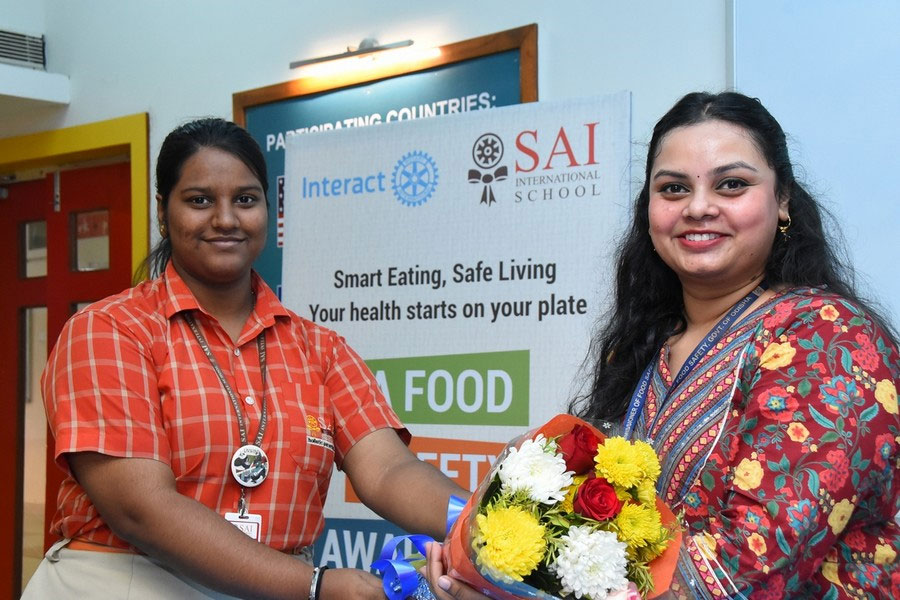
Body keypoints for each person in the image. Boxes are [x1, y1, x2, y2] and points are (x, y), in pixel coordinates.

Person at [25, 118, 484, 600]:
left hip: (281, 588)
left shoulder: (320, 349)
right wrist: (315, 586)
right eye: (199, 200)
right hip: (126, 582)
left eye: (245, 199)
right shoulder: (110, 330)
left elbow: (389, 472)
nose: (226, 219)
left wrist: (488, 525)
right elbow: (141, 508)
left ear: (267, 209)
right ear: (163, 211)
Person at [572, 92, 899, 599]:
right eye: (674, 188)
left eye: (732, 184)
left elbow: (753, 563)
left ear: (782, 200)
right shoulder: (642, 346)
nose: (699, 207)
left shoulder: (829, 336)